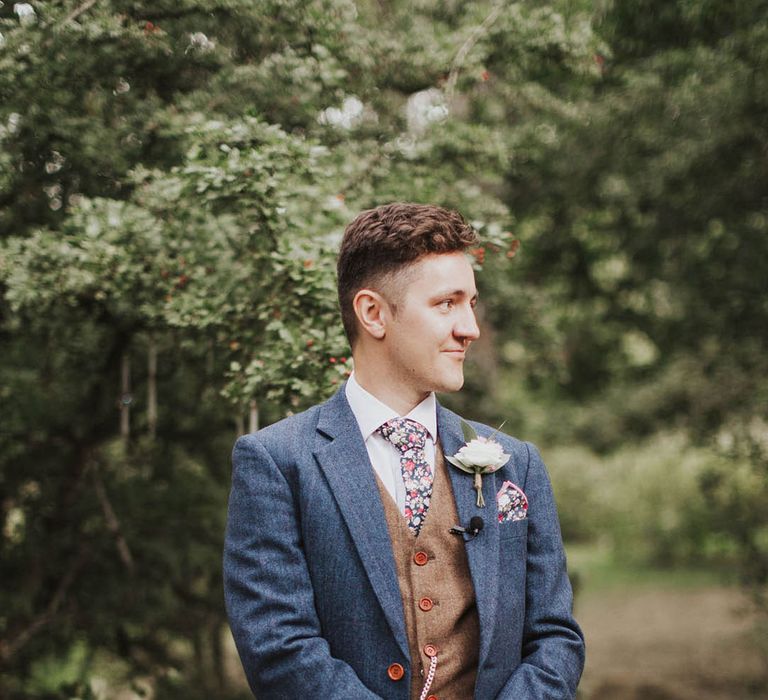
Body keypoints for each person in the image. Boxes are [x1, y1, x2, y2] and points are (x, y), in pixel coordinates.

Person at [223, 203, 585, 699]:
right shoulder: (277, 462)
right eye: (446, 304)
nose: (470, 328)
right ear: (373, 313)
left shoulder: (515, 463)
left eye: (471, 303)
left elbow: (555, 638)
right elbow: (279, 649)